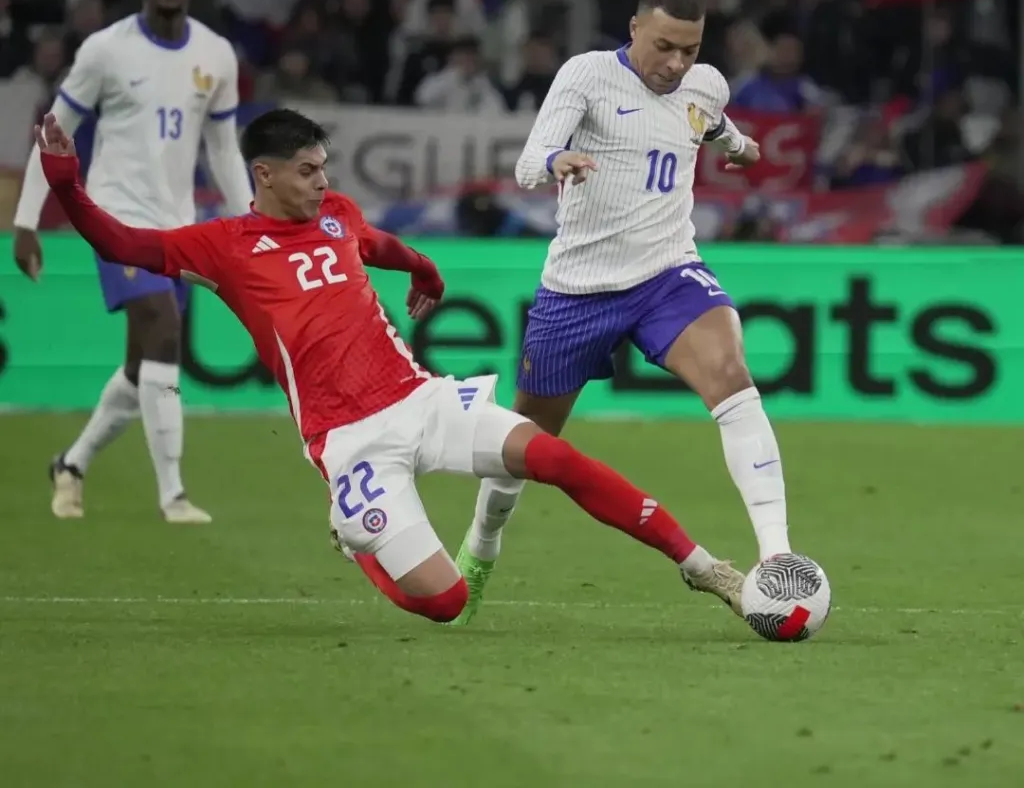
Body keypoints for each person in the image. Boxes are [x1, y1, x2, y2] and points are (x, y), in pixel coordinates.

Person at [36, 107, 745, 624]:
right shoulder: (221, 245)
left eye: (324, 169)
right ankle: (356, 541)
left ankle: (703, 568)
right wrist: (66, 187)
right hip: (349, 440)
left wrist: (426, 271)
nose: (322, 183)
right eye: (307, 171)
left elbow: (377, 244)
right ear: (265, 175)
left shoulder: (336, 213)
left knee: (553, 457)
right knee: (446, 602)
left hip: (420, 399)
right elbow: (123, 243)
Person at [452, 0, 795, 626]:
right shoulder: (586, 76)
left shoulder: (705, 83)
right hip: (578, 291)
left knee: (731, 375)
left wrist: (741, 148)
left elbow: (712, 123)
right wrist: (556, 162)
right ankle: (482, 543)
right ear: (634, 28)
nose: (675, 63)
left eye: (689, 51)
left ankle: (777, 558)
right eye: (664, 45)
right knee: (523, 450)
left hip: (668, 273)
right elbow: (528, 161)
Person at [12, 0, 252, 524]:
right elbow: (55, 133)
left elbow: (222, 149)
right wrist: (26, 220)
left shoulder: (215, 55)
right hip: (116, 219)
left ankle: (70, 464)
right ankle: (173, 494)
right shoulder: (105, 50)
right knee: (164, 331)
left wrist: (251, 223)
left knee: (142, 366)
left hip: (180, 227)